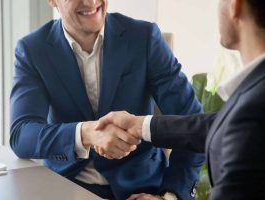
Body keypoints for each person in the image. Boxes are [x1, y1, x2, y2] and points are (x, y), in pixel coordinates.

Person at [9, 0, 205, 199]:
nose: (91, 2)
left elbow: (194, 127)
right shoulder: (32, 49)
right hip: (66, 187)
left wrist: (170, 196)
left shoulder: (144, 37)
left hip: (144, 188)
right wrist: (87, 133)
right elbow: (22, 134)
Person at [96, 0, 265, 199]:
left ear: (235, 6)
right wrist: (141, 125)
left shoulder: (252, 115)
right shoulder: (255, 99)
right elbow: (218, 125)